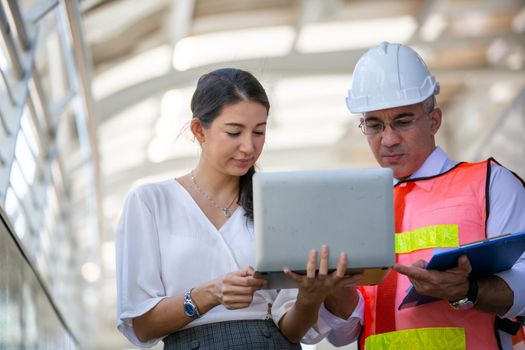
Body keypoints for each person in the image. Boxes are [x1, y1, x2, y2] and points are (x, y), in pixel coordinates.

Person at [115, 68, 362, 349]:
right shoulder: (150, 202)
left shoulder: (277, 205)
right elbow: (142, 327)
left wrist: (310, 297)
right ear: (199, 130)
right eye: (234, 132)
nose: (249, 146)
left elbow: (292, 332)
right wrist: (209, 294)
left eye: (259, 132)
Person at [344, 42, 525, 349]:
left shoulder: (489, 183)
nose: (388, 139)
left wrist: (467, 289)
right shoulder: (360, 208)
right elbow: (342, 331)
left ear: (434, 120)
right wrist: (321, 290)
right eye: (374, 125)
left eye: (403, 121)